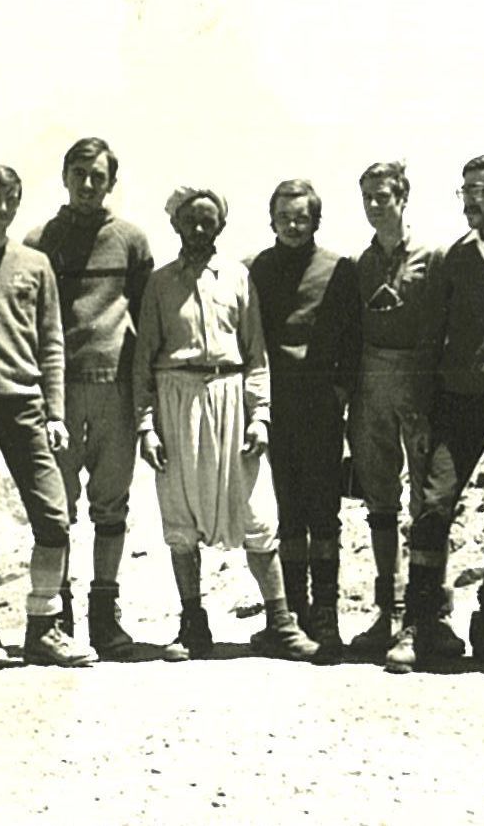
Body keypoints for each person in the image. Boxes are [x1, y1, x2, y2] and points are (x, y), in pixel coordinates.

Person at [133, 186, 317, 663]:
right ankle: (193, 624)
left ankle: (280, 621)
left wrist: (260, 416)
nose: (199, 229)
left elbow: (256, 354)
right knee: (180, 516)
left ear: (221, 227)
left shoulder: (238, 278)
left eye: (208, 221)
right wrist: (146, 425)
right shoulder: (159, 284)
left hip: (231, 398)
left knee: (257, 513)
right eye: (191, 220)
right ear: (175, 225)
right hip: (176, 400)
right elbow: (142, 361)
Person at [386, 155, 484, 674]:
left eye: (479, 190)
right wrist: (423, 409)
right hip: (458, 401)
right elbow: (431, 337)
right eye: (465, 190)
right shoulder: (454, 260)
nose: (470, 199)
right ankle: (419, 623)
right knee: (432, 507)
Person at [0, 164, 94, 668]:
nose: (1, 206)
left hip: (26, 405)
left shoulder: (35, 263)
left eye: (11, 197)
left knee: (54, 519)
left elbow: (51, 341)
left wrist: (54, 411)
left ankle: (43, 627)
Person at [24, 138, 153, 659]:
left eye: (97, 176)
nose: (87, 183)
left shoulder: (131, 241)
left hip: (115, 388)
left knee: (111, 504)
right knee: (58, 508)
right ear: (64, 175)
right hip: (57, 390)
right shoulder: (38, 241)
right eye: (79, 173)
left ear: (111, 183)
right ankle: (60, 612)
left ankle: (104, 613)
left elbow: (147, 318)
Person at [347, 161, 460, 657]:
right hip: (372, 382)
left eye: (384, 196)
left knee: (428, 503)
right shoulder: (362, 263)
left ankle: (431, 613)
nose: (376, 205)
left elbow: (443, 326)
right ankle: (387, 613)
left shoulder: (433, 257)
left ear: (404, 196)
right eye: (368, 196)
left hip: (419, 381)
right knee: (379, 499)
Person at [245, 179, 361, 663]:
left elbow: (354, 337)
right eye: (284, 216)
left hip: (321, 406)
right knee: (287, 512)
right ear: (271, 220)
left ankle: (326, 616)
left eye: (302, 217)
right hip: (276, 408)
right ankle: (291, 616)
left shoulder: (340, 269)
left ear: (316, 219)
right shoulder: (257, 270)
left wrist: (339, 392)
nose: (293, 225)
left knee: (323, 511)